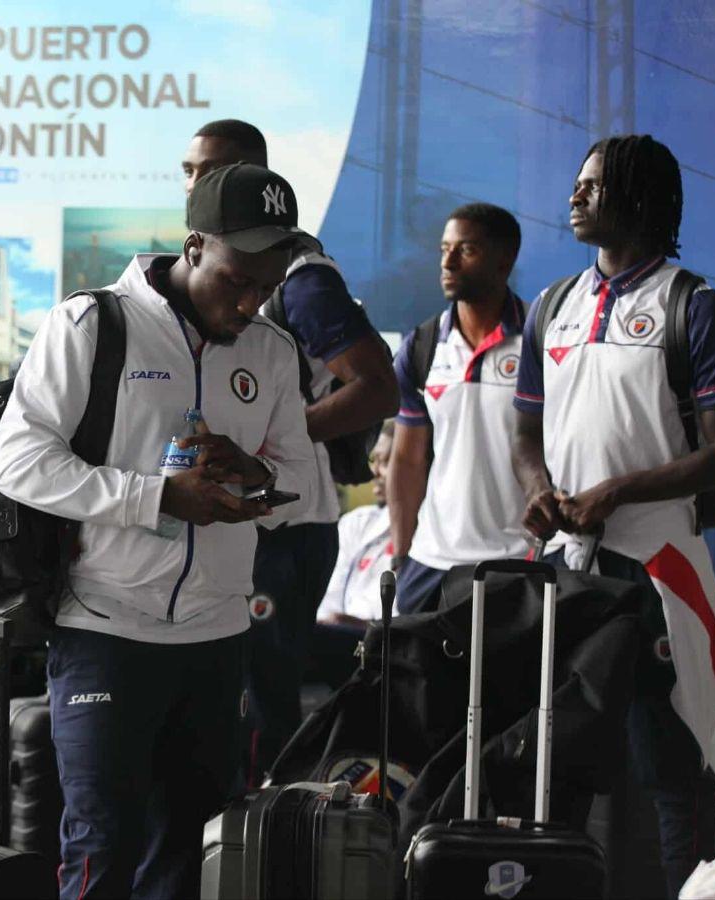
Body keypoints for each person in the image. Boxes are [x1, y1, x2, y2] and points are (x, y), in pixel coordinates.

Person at [0, 162, 317, 899]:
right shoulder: (92, 325)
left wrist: (254, 474)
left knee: (188, 853)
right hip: (106, 628)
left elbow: (299, 485)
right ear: (194, 246)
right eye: (238, 279)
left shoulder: (271, 351)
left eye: (267, 285)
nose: (250, 302)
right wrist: (156, 498)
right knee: (101, 847)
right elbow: (20, 462)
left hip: (217, 637)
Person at [512, 134, 715, 897]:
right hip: (566, 573)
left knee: (675, 768)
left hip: (658, 570)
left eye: (594, 185)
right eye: (578, 182)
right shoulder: (552, 306)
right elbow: (526, 433)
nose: (575, 195)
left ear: (640, 197)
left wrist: (616, 493)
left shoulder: (691, 305)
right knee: (553, 767)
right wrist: (539, 488)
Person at [183, 119, 398, 781]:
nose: (191, 183)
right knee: (222, 692)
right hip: (238, 520)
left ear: (249, 176)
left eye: (207, 171)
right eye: (188, 171)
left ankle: (262, 832)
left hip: (288, 524)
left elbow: (378, 386)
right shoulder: (200, 270)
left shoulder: (300, 278)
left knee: (259, 701)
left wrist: (273, 442)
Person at [387, 203, 531, 613]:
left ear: (504, 260)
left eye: (466, 250)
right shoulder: (422, 345)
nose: (447, 263)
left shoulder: (540, 340)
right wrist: (401, 553)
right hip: (430, 561)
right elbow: (407, 459)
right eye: (444, 249)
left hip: (520, 559)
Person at [317, 420, 395, 630]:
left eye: (386, 461)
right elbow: (329, 600)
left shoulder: (431, 537)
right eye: (374, 460)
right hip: (340, 637)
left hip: (392, 643)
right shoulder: (356, 524)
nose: (375, 471)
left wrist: (368, 628)